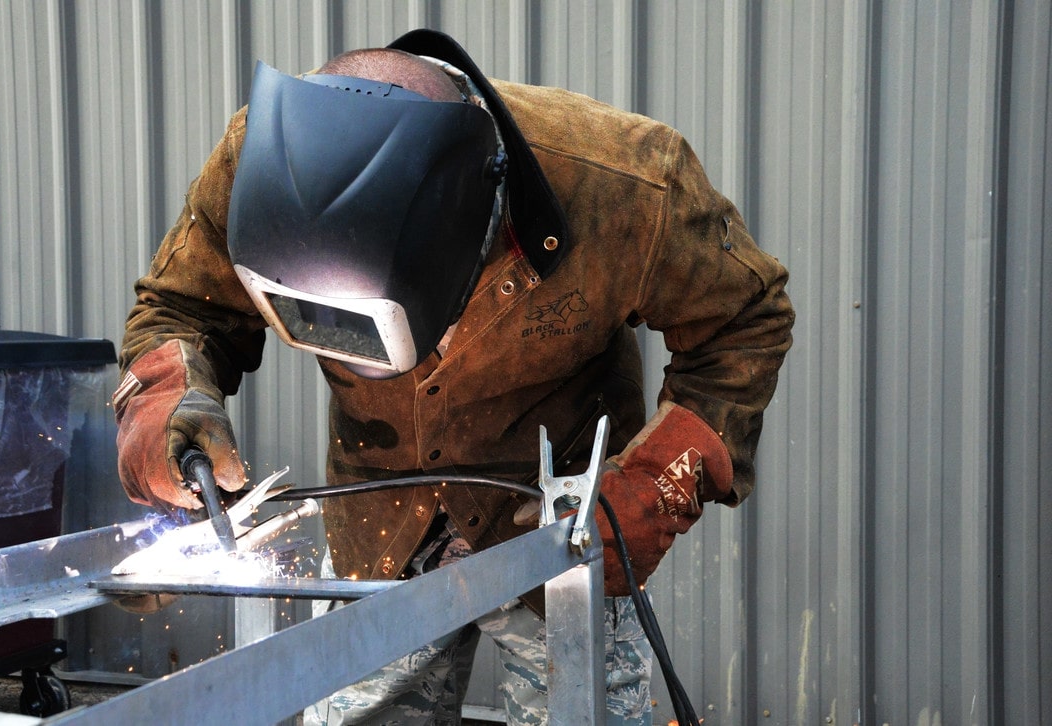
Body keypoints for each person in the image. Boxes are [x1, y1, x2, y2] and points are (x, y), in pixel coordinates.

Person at [112, 28, 794, 726]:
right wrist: (168, 398)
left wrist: (658, 480)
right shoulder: (261, 164)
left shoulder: (627, 185)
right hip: (380, 526)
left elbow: (745, 316)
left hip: (554, 531)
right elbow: (180, 308)